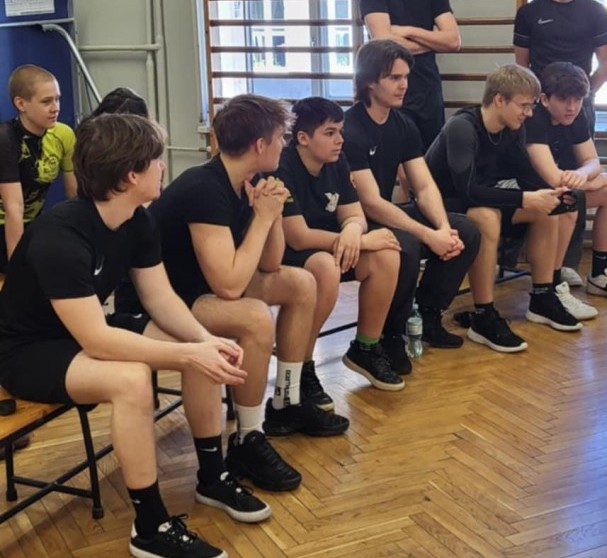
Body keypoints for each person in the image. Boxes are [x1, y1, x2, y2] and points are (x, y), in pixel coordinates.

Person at [0, 114, 263, 558]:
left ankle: (212, 477)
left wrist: (203, 340)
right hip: (28, 350)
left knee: (200, 348)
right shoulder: (60, 236)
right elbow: (98, 342)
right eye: (156, 160)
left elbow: (160, 298)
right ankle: (150, 527)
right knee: (132, 379)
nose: (163, 166)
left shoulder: (138, 220)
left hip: (82, 331)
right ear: (130, 176)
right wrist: (189, 354)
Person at [146, 94, 349, 484]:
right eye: (281, 137)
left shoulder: (247, 180)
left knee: (300, 282)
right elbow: (228, 285)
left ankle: (286, 401)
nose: (284, 145)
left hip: (202, 288)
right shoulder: (205, 187)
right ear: (260, 145)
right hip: (169, 298)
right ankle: (248, 438)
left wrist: (270, 216)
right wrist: (263, 219)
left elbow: (271, 263)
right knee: (254, 317)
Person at [343, 39, 480, 375]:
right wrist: (428, 235)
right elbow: (371, 202)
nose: (404, 84)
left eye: (406, 77)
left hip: (383, 213)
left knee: (465, 229)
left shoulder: (403, 124)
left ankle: (428, 315)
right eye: (394, 77)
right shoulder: (350, 128)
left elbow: (423, 185)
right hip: (356, 220)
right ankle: (389, 335)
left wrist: (442, 228)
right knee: (405, 244)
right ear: (369, 81)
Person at [425, 63, 583, 354]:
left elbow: (525, 175)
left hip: (479, 199)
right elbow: (466, 190)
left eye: (531, 106)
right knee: (487, 216)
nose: (529, 113)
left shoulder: (512, 130)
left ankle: (542, 295)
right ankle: (484, 315)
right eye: (524, 105)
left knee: (545, 208)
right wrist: (524, 198)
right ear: (499, 99)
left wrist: (554, 194)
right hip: (441, 206)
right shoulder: (462, 127)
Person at [273, 97, 404, 399]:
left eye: (340, 131)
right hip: (287, 254)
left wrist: (353, 232)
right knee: (325, 267)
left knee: (385, 254)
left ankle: (366, 348)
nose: (340, 140)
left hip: (331, 246)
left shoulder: (337, 161)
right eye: (330, 133)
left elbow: (355, 215)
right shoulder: (282, 167)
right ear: (303, 138)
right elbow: (298, 237)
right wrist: (357, 239)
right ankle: (302, 365)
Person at [513, 0, 607, 286]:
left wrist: (579, 98)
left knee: (579, 177)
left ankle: (567, 264)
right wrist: (539, 104)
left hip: (578, 105)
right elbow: (522, 67)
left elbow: (605, 65)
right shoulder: (530, 13)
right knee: (548, 180)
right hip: (539, 108)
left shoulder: (595, 12)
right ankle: (546, 265)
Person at [526, 61, 607, 305]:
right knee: (568, 202)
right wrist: (589, 183)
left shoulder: (576, 116)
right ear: (544, 99)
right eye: (564, 100)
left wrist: (584, 174)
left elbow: (592, 160)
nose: (572, 107)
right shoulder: (533, 119)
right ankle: (552, 284)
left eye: (577, 100)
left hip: (557, 189)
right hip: (528, 194)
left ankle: (599, 274)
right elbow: (551, 178)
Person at [360, 0, 461, 152]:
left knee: (430, 159)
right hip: (388, 90)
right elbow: (382, 41)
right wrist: (433, 41)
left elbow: (453, 41)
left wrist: (408, 31)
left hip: (427, 90)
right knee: (394, 159)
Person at [0, 65, 77, 272]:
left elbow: (75, 195)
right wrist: (17, 270)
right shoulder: (5, 139)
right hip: (5, 224)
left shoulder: (63, 135)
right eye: (46, 101)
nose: (55, 108)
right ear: (21, 104)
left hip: (34, 223)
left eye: (57, 99)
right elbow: (13, 208)